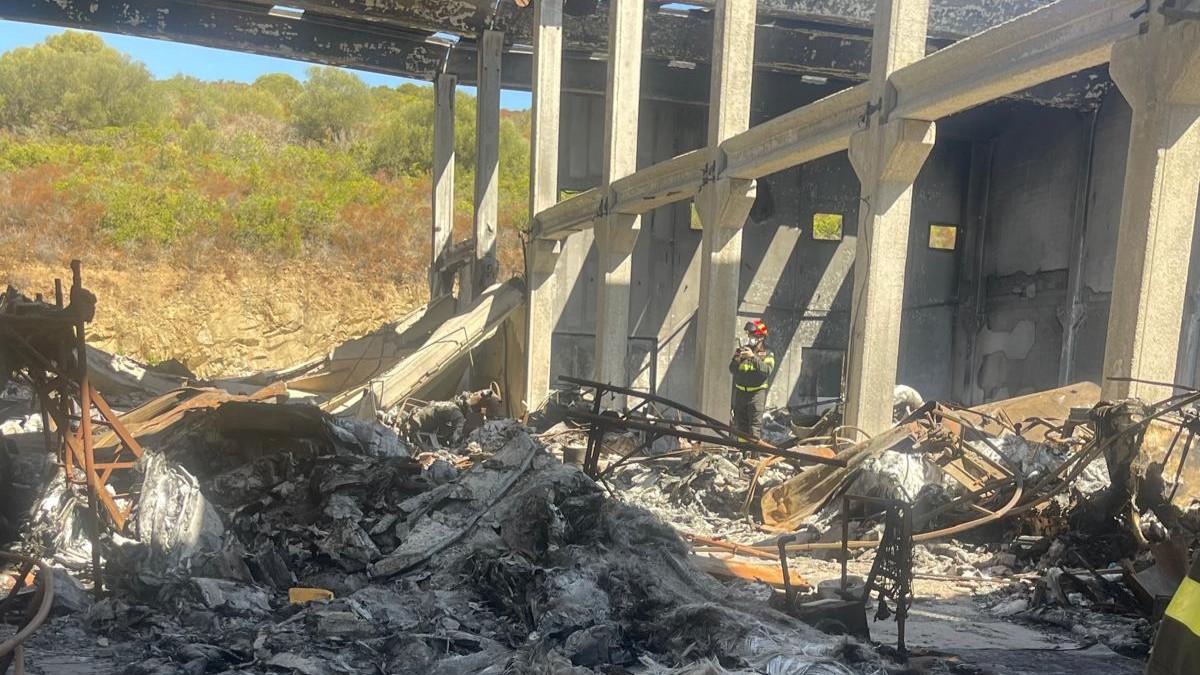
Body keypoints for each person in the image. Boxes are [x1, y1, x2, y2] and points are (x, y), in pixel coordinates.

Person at [401, 384, 504, 448]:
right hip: (412, 429)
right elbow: (457, 439)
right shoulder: (455, 412)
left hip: (414, 420)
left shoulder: (454, 406)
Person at [729, 319, 775, 440]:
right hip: (740, 393)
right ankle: (743, 454)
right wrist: (737, 360)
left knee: (754, 428)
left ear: (761, 337)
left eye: (753, 335)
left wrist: (753, 357)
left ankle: (754, 456)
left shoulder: (767, 353)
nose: (750, 338)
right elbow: (732, 370)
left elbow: (766, 371)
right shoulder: (743, 350)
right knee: (741, 427)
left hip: (756, 395)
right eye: (749, 335)